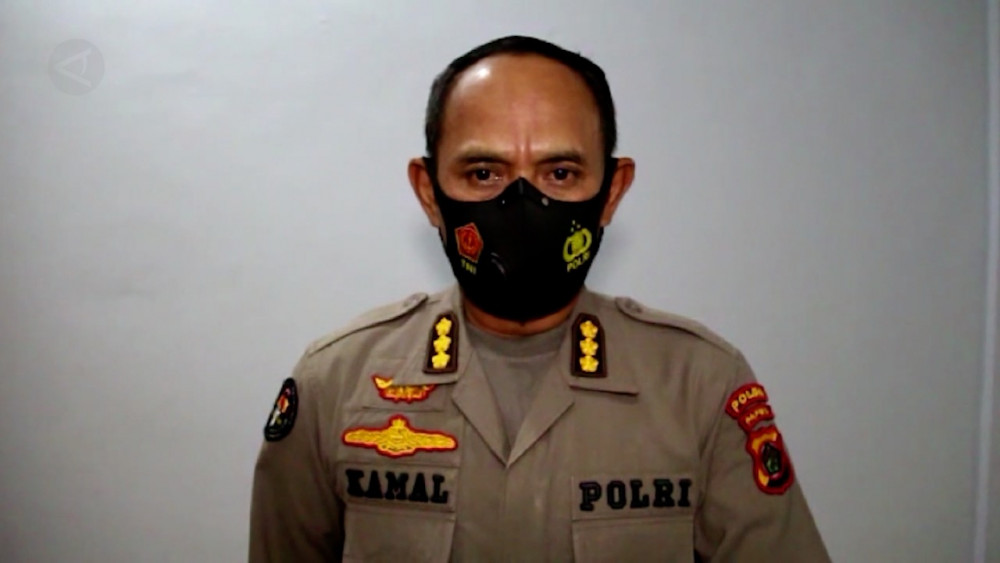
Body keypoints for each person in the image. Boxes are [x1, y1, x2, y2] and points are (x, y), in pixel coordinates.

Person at [249, 35, 830, 562]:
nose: (522, 205)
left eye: (560, 173)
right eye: (484, 173)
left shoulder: (699, 386)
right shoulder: (335, 385)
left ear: (612, 192)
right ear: (429, 193)